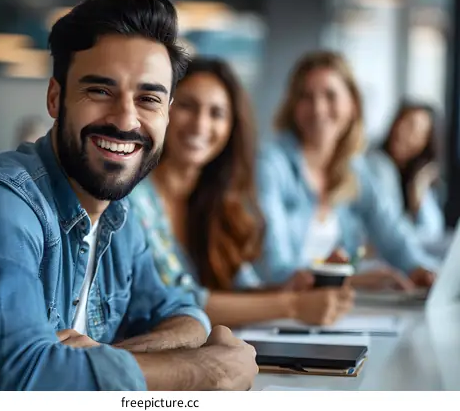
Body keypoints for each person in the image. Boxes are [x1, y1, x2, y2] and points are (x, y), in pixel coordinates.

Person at [0, 0, 257, 391]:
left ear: (166, 114)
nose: (125, 119)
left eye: (148, 98)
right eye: (100, 91)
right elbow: (23, 381)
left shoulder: (120, 215)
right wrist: (202, 371)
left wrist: (110, 359)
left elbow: (185, 312)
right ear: (56, 97)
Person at [129, 57, 354, 328]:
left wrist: (300, 286)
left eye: (217, 113)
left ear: (231, 128)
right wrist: (293, 305)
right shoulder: (136, 197)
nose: (201, 125)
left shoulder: (215, 199)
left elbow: (240, 288)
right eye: (188, 106)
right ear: (164, 110)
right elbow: (178, 302)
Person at [256, 51, 438, 289]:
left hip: (332, 312)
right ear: (293, 106)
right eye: (306, 97)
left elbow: (394, 235)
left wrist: (419, 269)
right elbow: (276, 270)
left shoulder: (357, 169)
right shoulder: (270, 164)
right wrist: (351, 279)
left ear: (352, 103)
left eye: (330, 96)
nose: (318, 109)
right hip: (273, 312)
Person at [366, 101, 444, 242]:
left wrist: (419, 189)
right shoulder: (378, 164)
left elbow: (434, 231)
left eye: (412, 127)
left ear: (426, 141)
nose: (401, 130)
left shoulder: (416, 174)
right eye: (401, 121)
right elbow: (392, 233)